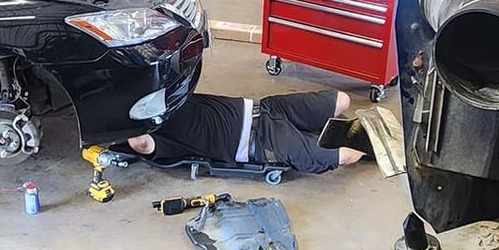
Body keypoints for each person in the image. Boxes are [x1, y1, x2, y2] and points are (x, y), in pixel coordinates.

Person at [126, 90, 364, 175]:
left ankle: (322, 131)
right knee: (343, 156)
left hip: (266, 107)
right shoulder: (154, 140)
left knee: (342, 101)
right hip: (262, 141)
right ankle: (375, 146)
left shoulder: (161, 96)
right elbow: (140, 143)